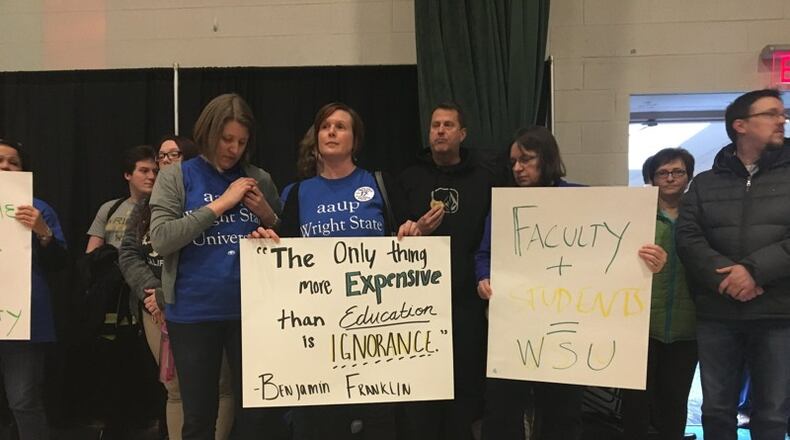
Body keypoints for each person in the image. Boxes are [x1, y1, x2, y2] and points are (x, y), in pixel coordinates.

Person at [474, 125, 667, 440]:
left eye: (526, 159)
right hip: (514, 328)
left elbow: (619, 250)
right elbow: (484, 253)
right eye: (513, 162)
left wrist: (650, 259)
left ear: (547, 158)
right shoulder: (505, 204)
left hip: (567, 330)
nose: (517, 168)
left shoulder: (582, 198)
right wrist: (483, 277)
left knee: (561, 415)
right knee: (503, 411)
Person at [251, 102, 425, 440]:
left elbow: (406, 239)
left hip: (375, 329)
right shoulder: (297, 193)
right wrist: (266, 244)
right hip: (316, 330)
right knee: (318, 424)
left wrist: (411, 232)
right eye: (325, 126)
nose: (331, 132)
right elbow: (286, 256)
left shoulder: (379, 183)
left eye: (341, 126)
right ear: (316, 137)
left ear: (355, 140)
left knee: (377, 422)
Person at [149, 93, 286, 440]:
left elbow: (287, 240)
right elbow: (161, 239)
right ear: (208, 133)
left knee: (257, 415)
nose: (234, 149)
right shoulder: (176, 177)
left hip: (252, 312)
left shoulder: (259, 179)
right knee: (198, 416)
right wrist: (222, 203)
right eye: (227, 139)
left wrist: (268, 217)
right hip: (192, 312)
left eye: (242, 142)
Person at [676, 88, 790, 440]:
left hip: (778, 314)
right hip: (718, 313)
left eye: (782, 113)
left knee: (772, 414)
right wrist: (727, 279)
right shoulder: (704, 184)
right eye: (770, 114)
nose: (782, 120)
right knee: (716, 411)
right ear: (740, 125)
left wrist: (753, 271)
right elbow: (688, 238)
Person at [118, 135, 234, 440]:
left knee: (219, 385)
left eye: (174, 154)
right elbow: (128, 253)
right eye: (162, 156)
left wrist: (166, 294)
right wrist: (151, 291)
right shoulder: (145, 206)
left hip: (198, 303)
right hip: (154, 307)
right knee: (175, 389)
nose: (166, 161)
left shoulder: (210, 198)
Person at [396, 102, 499, 439]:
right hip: (418, 305)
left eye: (448, 125)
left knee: (465, 389)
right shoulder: (409, 177)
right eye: (435, 125)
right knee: (423, 391)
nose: (440, 131)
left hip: (467, 303)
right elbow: (393, 239)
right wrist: (417, 231)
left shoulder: (485, 178)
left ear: (462, 134)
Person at [621, 148, 698, 440]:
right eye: (662, 173)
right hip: (640, 325)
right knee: (635, 401)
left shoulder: (700, 215)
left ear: (688, 176)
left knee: (675, 400)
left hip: (686, 326)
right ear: (651, 178)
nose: (670, 178)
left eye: (677, 171)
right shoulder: (635, 216)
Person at [0, 138, 68, 440]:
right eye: (0, 161)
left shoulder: (38, 209)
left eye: (13, 162)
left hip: (23, 320)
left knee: (23, 399)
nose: (5, 166)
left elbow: (60, 264)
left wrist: (44, 232)